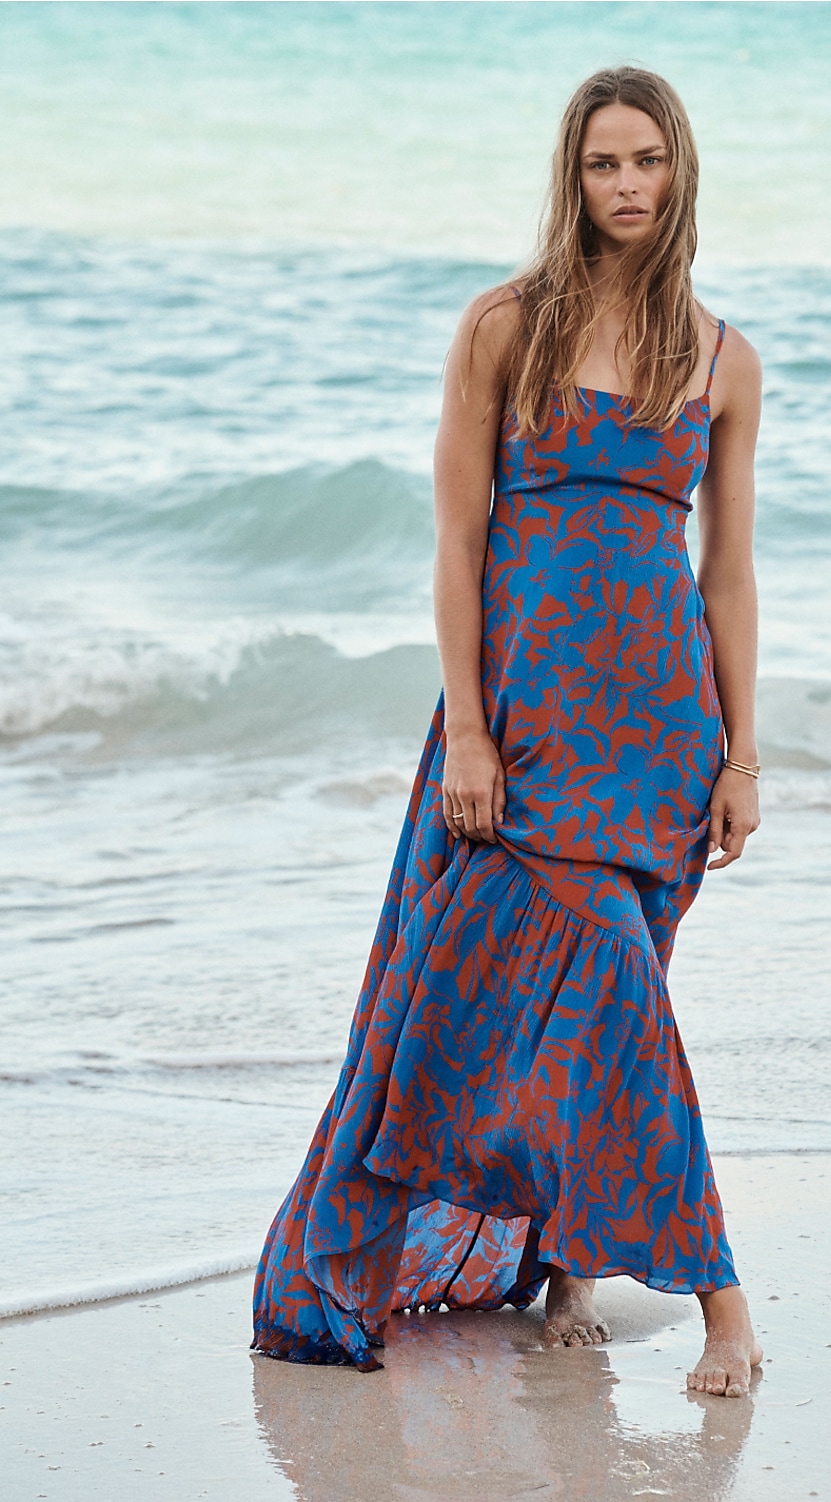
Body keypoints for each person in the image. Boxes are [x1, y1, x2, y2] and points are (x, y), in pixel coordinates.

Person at [252, 65, 764, 1400]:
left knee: (600, 1005)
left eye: (647, 159)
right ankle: (723, 1306)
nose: (627, 185)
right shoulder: (502, 329)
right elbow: (457, 541)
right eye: (603, 163)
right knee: (542, 998)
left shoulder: (720, 358)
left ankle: (569, 1277)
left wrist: (742, 750)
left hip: (661, 737)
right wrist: (470, 730)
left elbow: (725, 575)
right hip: (527, 732)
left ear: (681, 169)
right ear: (571, 177)